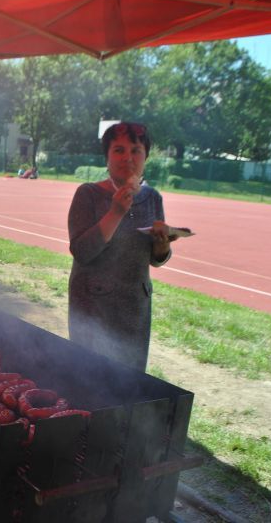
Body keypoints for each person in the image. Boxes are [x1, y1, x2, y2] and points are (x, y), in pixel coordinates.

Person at [67, 122, 175, 371]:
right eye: (119, 150)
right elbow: (82, 252)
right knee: (89, 376)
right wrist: (115, 212)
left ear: (146, 156)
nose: (128, 158)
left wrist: (162, 247)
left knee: (129, 379)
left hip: (135, 308)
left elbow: (155, 259)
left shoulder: (153, 198)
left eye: (136, 150)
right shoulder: (88, 194)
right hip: (93, 309)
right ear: (106, 157)